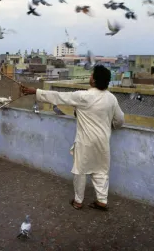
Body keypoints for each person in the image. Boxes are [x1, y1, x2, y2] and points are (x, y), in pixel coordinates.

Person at [21, 65, 124, 211]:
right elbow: (120, 120)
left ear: (94, 80)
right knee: (101, 170)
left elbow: (58, 96)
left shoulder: (84, 96)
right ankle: (102, 200)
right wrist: (110, 127)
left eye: (91, 75)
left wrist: (35, 92)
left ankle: (78, 201)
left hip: (85, 141)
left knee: (80, 170)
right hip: (103, 142)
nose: (90, 77)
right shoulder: (111, 99)